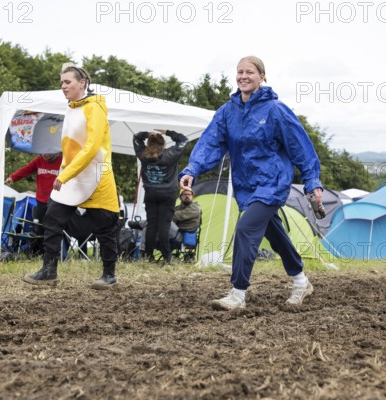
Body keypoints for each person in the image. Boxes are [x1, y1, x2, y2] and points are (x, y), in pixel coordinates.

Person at [179, 56, 324, 310]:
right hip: (247, 186)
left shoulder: (275, 110)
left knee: (245, 228)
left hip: (273, 183)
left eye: (250, 72)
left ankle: (238, 293)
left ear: (262, 77)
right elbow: (211, 142)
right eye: (240, 72)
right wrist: (192, 169)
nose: (243, 76)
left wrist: (312, 181)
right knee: (275, 235)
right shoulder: (228, 112)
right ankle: (301, 281)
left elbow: (300, 146)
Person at [22, 63, 120, 289]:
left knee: (104, 226)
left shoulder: (94, 107)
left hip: (97, 174)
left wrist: (64, 174)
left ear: (82, 83)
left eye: (67, 82)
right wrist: (66, 173)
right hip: (73, 175)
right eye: (61, 83)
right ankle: (49, 271)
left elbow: (92, 146)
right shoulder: (72, 108)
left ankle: (109, 276)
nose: (63, 86)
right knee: (52, 216)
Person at [133, 129, 188, 264]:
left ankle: (148, 256)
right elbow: (183, 140)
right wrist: (167, 132)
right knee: (164, 225)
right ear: (162, 144)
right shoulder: (170, 154)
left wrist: (147, 134)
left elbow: (136, 138)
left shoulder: (143, 154)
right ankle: (166, 258)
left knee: (151, 225)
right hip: (168, 194)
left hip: (151, 193)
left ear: (148, 143)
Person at [5, 153, 62, 254]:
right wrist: (13, 177)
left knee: (52, 228)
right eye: (42, 153)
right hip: (41, 201)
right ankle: (37, 252)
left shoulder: (62, 161)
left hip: (56, 200)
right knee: (38, 228)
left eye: (47, 154)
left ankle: (53, 252)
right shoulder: (39, 160)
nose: (44, 156)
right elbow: (26, 169)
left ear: (54, 151)